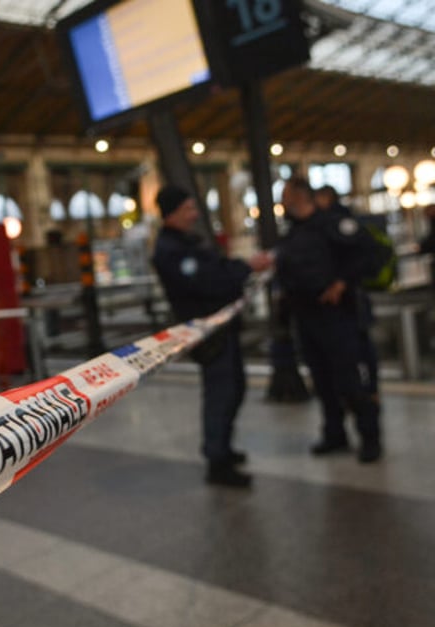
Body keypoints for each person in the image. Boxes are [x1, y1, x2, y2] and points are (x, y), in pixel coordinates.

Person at [151, 185, 273, 488]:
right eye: (189, 209)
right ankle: (217, 460)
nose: (195, 214)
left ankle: (224, 448)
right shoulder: (171, 250)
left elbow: (216, 269)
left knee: (234, 388)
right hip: (207, 334)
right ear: (174, 212)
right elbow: (209, 282)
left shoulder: (186, 243)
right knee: (221, 393)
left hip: (221, 329)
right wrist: (245, 268)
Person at [276, 177, 382, 463]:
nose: (282, 202)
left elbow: (370, 255)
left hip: (337, 316)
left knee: (349, 379)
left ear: (299, 196)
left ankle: (370, 436)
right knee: (321, 380)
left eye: (285, 195)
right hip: (306, 316)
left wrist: (342, 283)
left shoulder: (332, 225)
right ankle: (334, 433)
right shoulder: (293, 233)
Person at [314, 184, 381, 400]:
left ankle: (366, 388)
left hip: (350, 298)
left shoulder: (338, 223)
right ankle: (367, 387)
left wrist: (343, 281)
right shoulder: (335, 222)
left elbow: (365, 255)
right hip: (349, 297)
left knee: (359, 345)